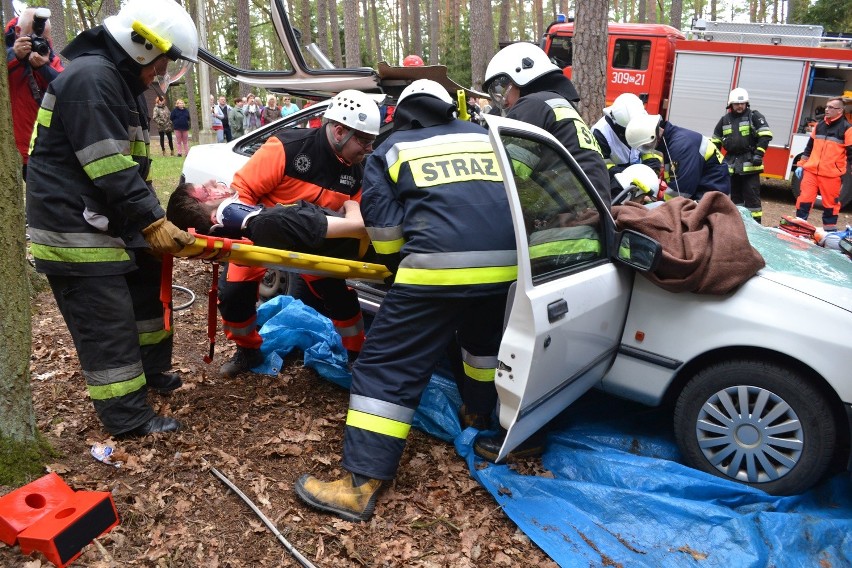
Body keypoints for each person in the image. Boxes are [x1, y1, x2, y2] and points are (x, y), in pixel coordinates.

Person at [294, 80, 518, 523]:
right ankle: (479, 419)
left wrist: (400, 271)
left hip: (437, 269)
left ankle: (359, 485)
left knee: (385, 367)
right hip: (508, 269)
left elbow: (385, 232)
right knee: (481, 349)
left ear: (403, 112)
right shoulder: (485, 136)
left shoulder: (393, 149)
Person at [25, 0, 198, 438]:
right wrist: (153, 220)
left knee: (147, 287)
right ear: (141, 47)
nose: (160, 73)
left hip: (109, 218)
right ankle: (127, 416)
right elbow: (107, 165)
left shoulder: (115, 82)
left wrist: (145, 225)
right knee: (109, 322)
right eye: (161, 63)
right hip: (74, 229)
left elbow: (129, 164)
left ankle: (151, 373)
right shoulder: (91, 79)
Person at [216, 89, 381, 378]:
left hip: (316, 242)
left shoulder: (358, 170)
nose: (368, 150)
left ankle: (357, 354)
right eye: (364, 141)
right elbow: (241, 194)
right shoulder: (287, 148)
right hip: (261, 236)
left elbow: (356, 212)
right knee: (234, 295)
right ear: (339, 131)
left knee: (339, 295)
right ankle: (247, 349)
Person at [483, 42, 610, 203]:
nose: (504, 101)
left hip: (575, 217)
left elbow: (509, 171)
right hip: (591, 209)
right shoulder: (557, 104)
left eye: (502, 89)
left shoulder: (533, 105)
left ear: (522, 75)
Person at [166, 180, 367, 258]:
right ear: (214, 217)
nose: (211, 182)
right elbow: (358, 226)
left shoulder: (261, 226)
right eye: (206, 190)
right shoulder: (270, 222)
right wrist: (351, 203)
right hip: (374, 238)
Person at [6, 6, 63, 180]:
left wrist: (43, 68)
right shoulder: (6, 56)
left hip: (46, 148)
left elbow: (65, 88)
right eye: (31, 37)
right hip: (14, 148)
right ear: (17, 31)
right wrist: (13, 55)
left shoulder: (50, 58)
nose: (38, 42)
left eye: (44, 38)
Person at [625, 114, 731, 201]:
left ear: (652, 136)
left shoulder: (681, 146)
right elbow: (673, 179)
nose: (648, 149)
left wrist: (659, 204)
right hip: (704, 189)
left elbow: (680, 193)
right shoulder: (671, 141)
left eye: (645, 146)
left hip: (711, 194)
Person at [711, 88, 773, 224]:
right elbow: (715, 142)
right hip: (732, 165)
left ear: (747, 104)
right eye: (736, 103)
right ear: (730, 105)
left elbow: (765, 135)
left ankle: (756, 227)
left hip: (750, 165)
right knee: (734, 199)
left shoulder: (754, 116)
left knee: (752, 201)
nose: (740, 106)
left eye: (742, 103)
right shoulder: (724, 120)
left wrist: (759, 154)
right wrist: (713, 160)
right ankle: (737, 226)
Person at [793, 96, 851, 232]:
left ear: (840, 111)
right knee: (804, 199)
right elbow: (809, 147)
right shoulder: (820, 125)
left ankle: (829, 232)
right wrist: (801, 164)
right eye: (826, 106)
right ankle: (798, 227)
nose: (827, 109)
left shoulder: (847, 129)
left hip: (831, 175)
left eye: (831, 107)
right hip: (811, 171)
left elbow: (851, 152)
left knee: (830, 204)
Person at [591, 93, 662, 198]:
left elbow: (650, 151)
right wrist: (630, 175)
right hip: (614, 183)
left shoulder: (640, 123)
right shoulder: (601, 133)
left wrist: (651, 168)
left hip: (641, 179)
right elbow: (602, 168)